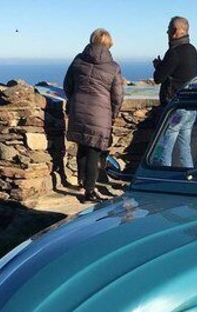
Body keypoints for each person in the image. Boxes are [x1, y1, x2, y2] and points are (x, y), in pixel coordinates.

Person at [64, 28, 124, 201]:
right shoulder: (113, 67)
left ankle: (82, 182)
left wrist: (75, 100)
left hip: (78, 109)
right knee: (94, 152)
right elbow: (117, 96)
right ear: (109, 44)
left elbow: (68, 85)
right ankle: (89, 191)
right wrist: (113, 115)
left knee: (82, 147)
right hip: (100, 113)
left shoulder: (78, 60)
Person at [151, 16, 197, 168]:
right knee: (184, 147)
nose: (166, 32)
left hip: (176, 108)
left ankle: (164, 181)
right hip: (190, 106)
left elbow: (158, 78)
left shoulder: (174, 52)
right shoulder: (192, 50)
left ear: (175, 31)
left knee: (165, 146)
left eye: (168, 29)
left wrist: (159, 66)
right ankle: (187, 178)